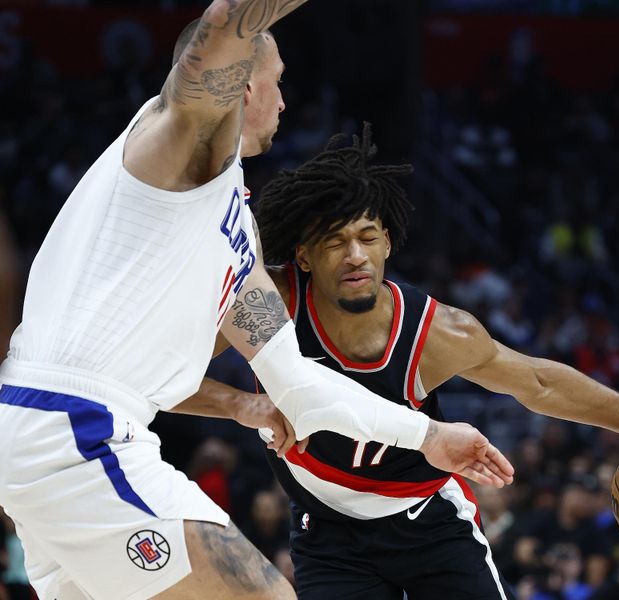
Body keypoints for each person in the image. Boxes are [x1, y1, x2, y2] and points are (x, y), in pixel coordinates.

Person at [0, 4, 512, 599]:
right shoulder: (180, 148)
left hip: (49, 432)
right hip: (75, 427)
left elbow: (297, 383)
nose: (285, 102)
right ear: (244, 85)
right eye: (278, 82)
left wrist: (426, 437)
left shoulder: (233, 236)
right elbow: (227, 21)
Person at [202, 125, 619, 599]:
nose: (355, 254)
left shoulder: (439, 333)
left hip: (429, 522)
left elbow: (538, 382)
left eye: (366, 236)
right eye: (335, 241)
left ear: (387, 242)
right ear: (305, 256)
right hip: (328, 532)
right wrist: (241, 404)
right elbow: (155, 372)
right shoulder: (269, 305)